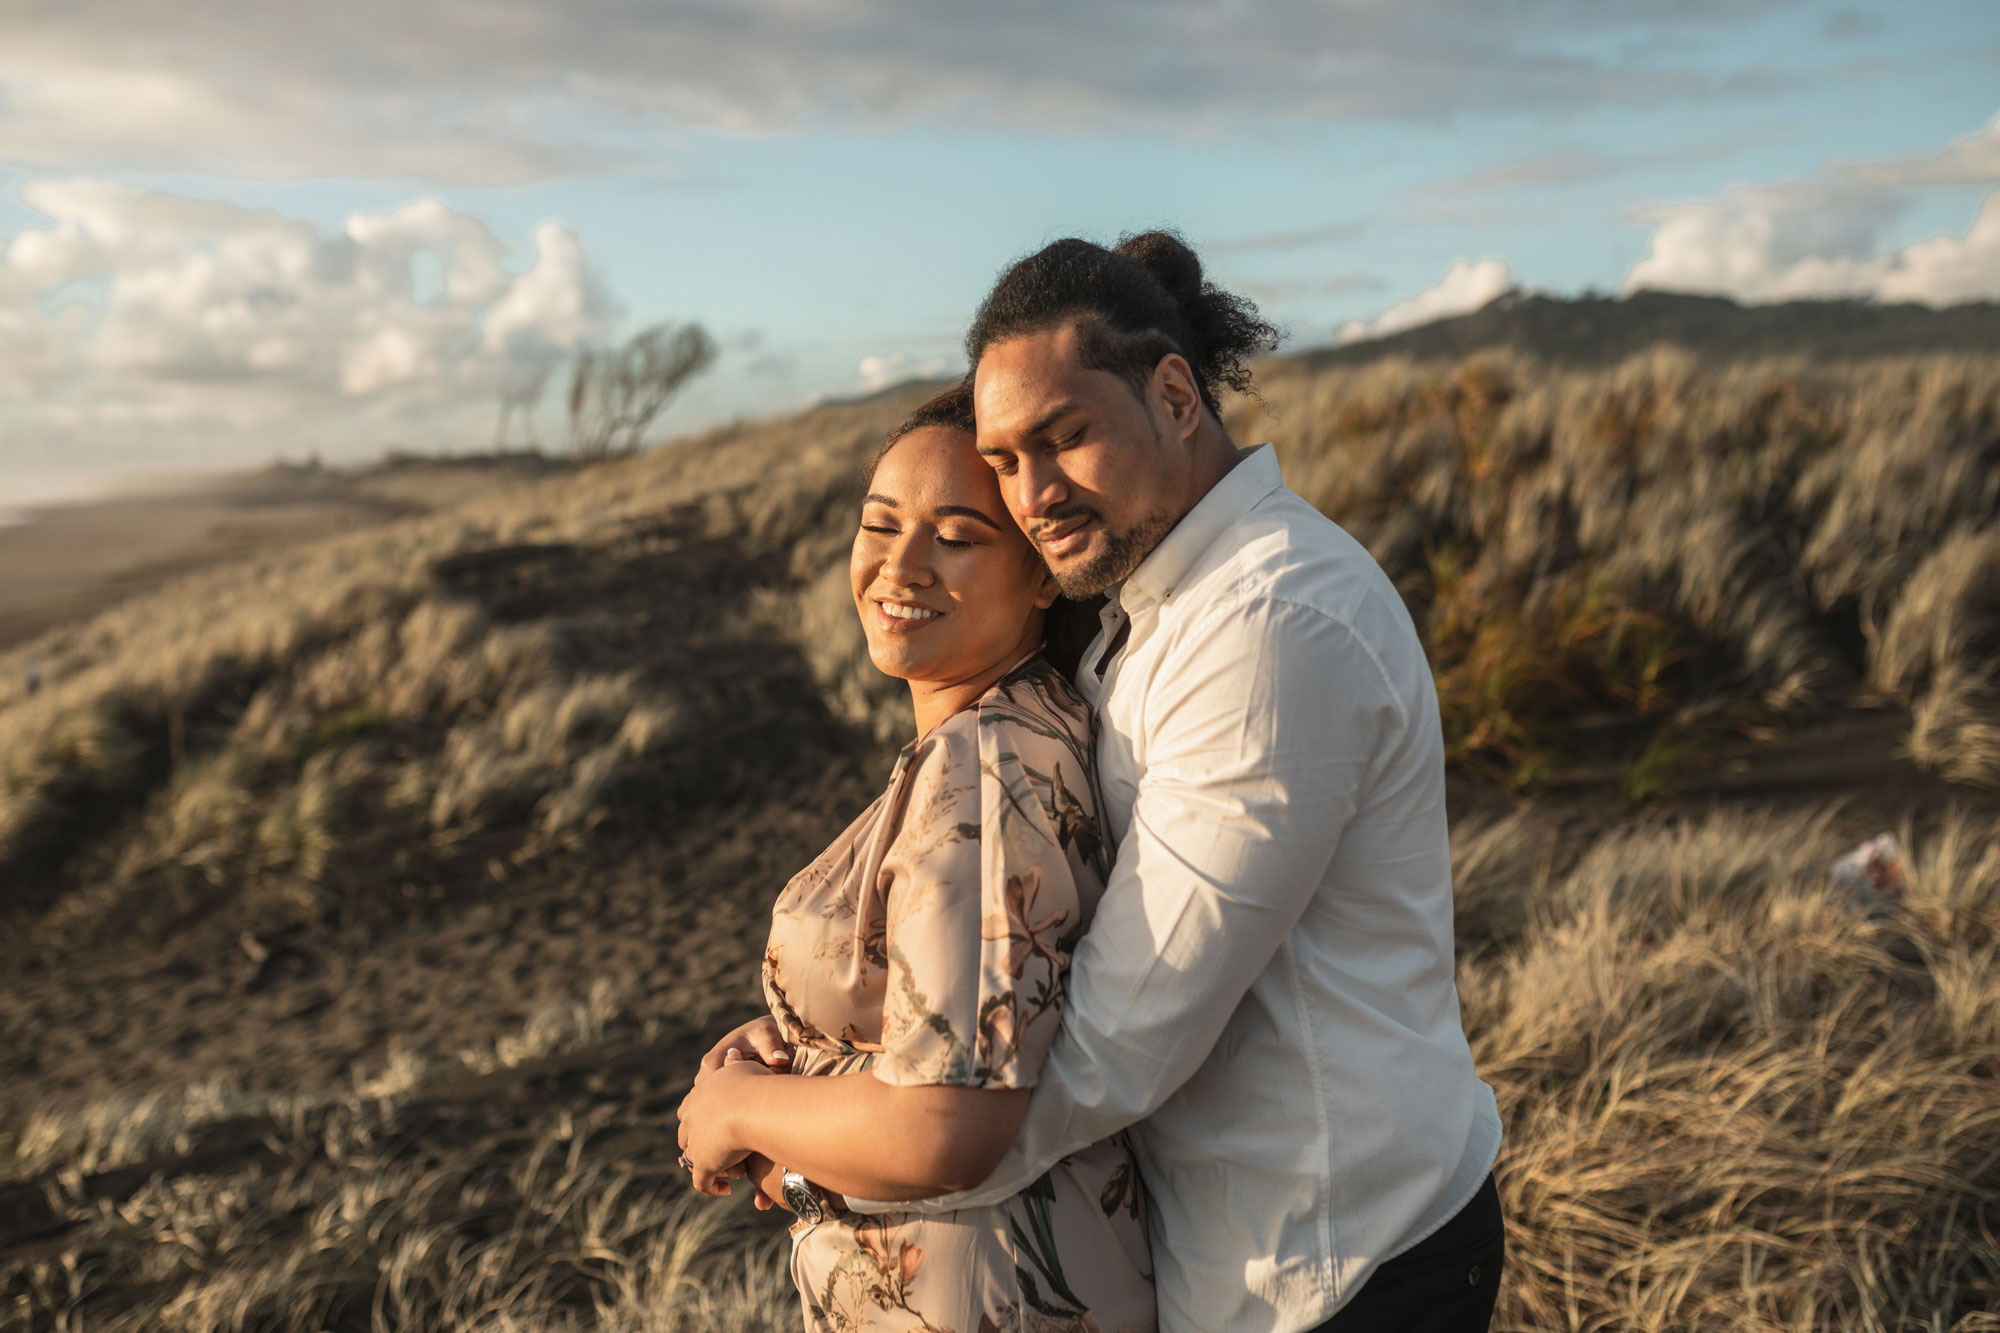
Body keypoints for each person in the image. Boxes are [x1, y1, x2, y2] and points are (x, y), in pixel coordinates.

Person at [694, 231, 1505, 1332]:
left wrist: (792, 1139)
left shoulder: (1269, 626)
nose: (1033, 491)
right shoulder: (1143, 605)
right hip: (1224, 1242)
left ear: (1174, 395)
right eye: (1005, 458)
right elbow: (1029, 961)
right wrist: (808, 1052)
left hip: (1332, 1258)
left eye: (1062, 437)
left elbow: (1105, 1049)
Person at [675, 384, 1156, 1333]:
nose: (901, 565)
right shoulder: (999, 732)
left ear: (1044, 573)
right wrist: (792, 1050)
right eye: (880, 524)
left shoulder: (985, 769)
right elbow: (968, 1015)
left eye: (958, 536)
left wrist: (739, 1113)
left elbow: (947, 1121)